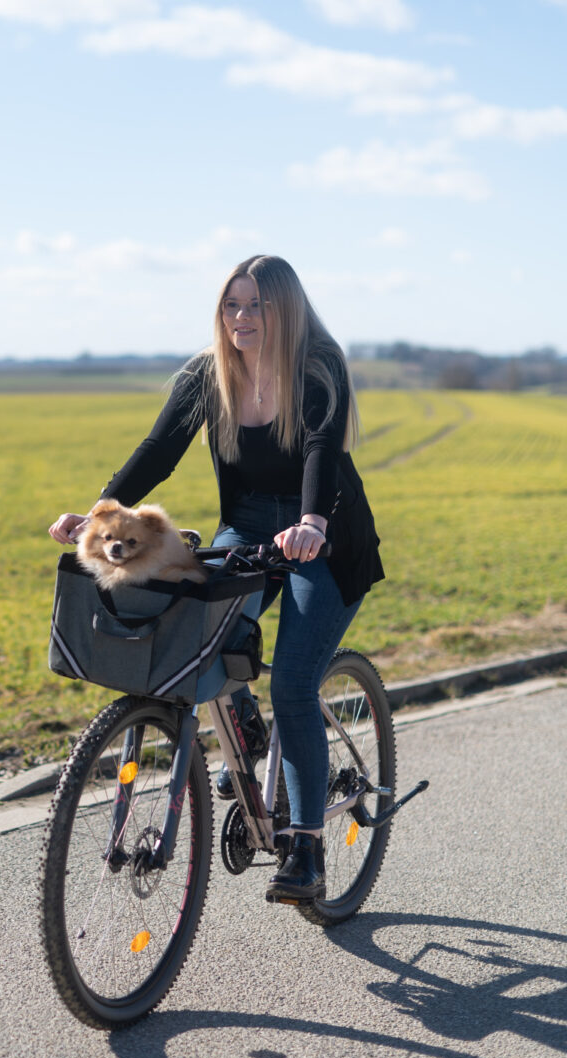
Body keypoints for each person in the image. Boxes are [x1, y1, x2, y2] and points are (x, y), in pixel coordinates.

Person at [49, 254, 384, 904]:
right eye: (232, 305)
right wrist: (100, 513)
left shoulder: (317, 364)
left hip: (328, 535)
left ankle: (307, 848)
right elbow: (158, 450)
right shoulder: (209, 375)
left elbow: (320, 446)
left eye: (256, 305)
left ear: (283, 309)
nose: (241, 318)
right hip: (253, 526)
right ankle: (249, 732)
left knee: (291, 681)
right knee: (194, 630)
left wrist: (312, 521)